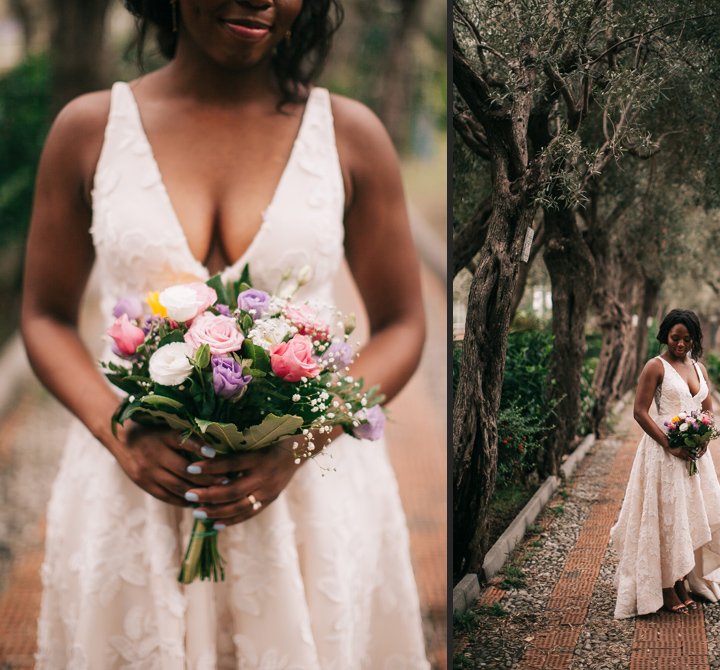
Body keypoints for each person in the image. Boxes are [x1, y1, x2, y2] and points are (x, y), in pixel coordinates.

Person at [21, 0, 430, 667]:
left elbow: (405, 324)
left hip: (308, 507)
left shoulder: (351, 135)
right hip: (133, 497)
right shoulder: (88, 130)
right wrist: (117, 427)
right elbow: (43, 315)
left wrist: (300, 443)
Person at [610, 309, 720, 618]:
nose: (680, 344)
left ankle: (682, 580)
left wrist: (703, 439)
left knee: (688, 515)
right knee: (665, 516)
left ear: (694, 339)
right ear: (665, 334)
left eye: (687, 339)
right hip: (663, 453)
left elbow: (708, 411)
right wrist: (670, 446)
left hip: (694, 455)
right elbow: (640, 411)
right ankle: (664, 586)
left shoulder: (699, 368)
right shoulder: (655, 366)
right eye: (675, 338)